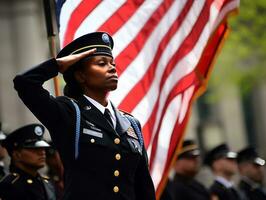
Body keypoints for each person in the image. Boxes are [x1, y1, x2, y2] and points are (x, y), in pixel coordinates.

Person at [13, 31, 156, 200]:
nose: (111, 67)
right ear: (80, 75)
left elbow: (143, 186)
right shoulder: (69, 113)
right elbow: (25, 83)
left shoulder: (131, 123)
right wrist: (57, 66)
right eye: (102, 63)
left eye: (112, 63)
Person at [0, 123, 56, 200]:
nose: (42, 152)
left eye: (43, 148)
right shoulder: (9, 185)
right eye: (34, 149)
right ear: (17, 154)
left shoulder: (46, 182)